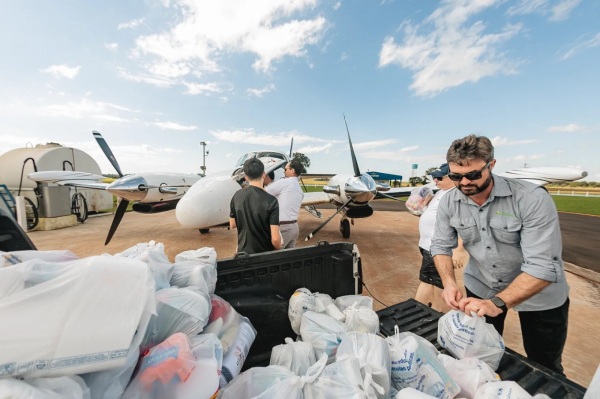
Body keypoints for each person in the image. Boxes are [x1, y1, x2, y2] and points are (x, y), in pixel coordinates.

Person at [430, 134, 570, 375]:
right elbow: (441, 246)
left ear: (491, 165)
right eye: (455, 176)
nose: (464, 183)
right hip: (482, 285)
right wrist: (449, 283)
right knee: (477, 353)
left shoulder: (531, 198)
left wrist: (497, 303)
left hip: (540, 295)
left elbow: (543, 266)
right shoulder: (449, 201)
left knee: (545, 365)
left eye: (473, 175)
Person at [414, 163, 463, 312]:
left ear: (453, 177)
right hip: (427, 245)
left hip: (437, 247)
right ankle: (436, 311)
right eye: (434, 177)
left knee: (427, 281)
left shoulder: (456, 195)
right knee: (437, 282)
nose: (435, 180)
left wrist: (458, 250)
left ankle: (414, 310)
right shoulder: (443, 191)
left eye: (439, 177)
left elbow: (462, 224)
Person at [229, 157, 282, 254]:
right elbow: (275, 239)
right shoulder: (272, 201)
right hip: (264, 256)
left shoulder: (236, 195)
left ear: (246, 177)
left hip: (243, 254)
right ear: (264, 174)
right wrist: (278, 247)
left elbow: (232, 224)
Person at [265, 159, 304, 248]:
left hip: (284, 227)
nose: (284, 172)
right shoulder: (299, 189)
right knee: (289, 257)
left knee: (272, 256)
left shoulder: (284, 182)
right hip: (294, 227)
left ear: (292, 171)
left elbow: (263, 193)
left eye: (285, 169)